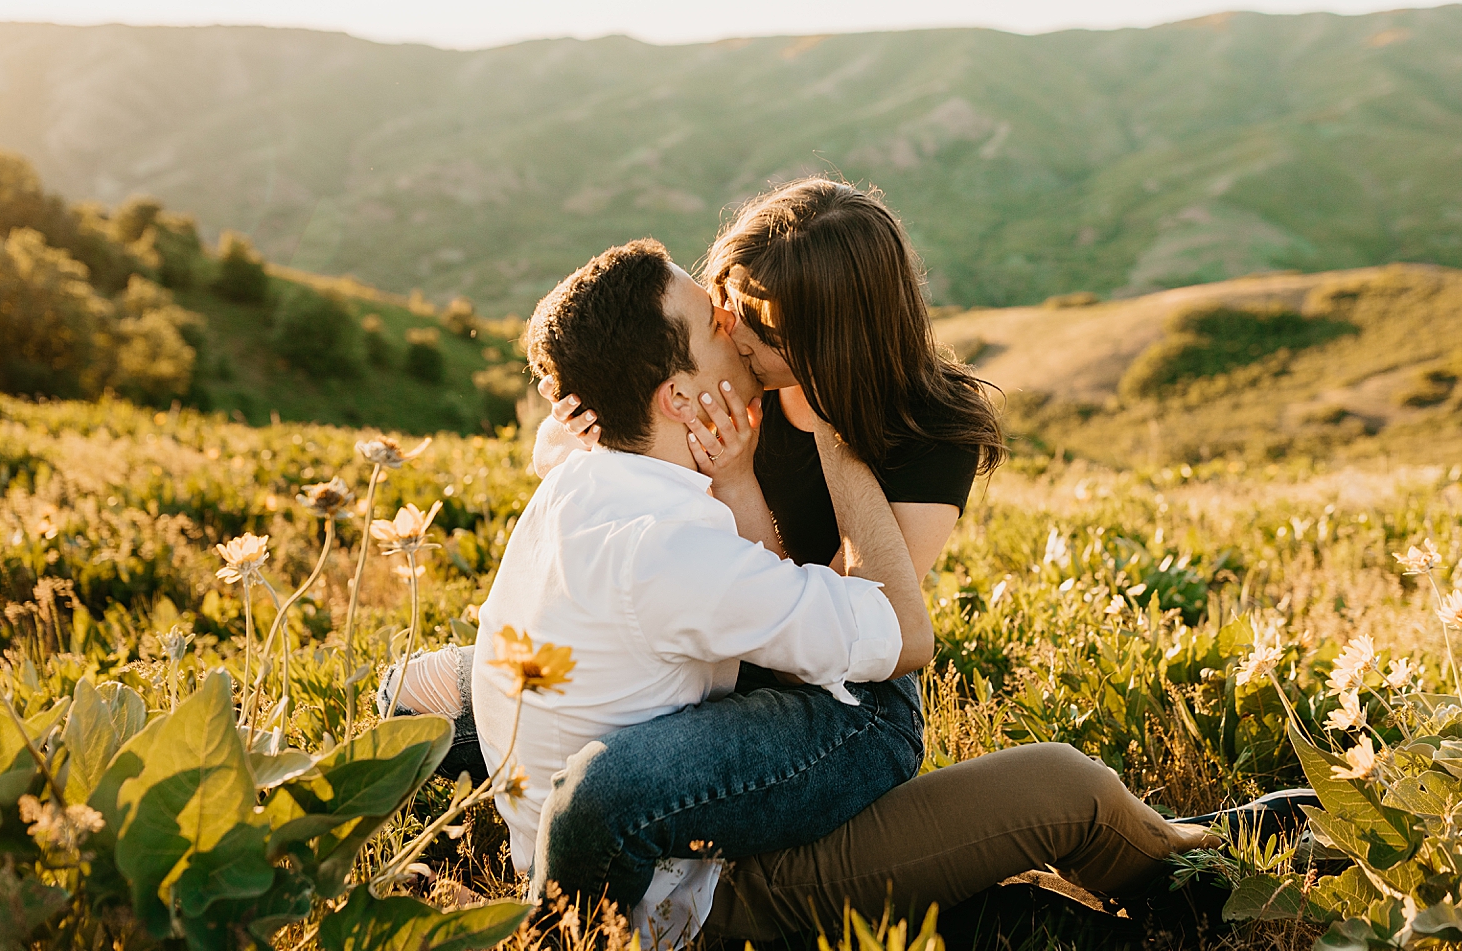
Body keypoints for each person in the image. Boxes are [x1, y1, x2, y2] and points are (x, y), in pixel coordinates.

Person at [386, 232, 1279, 947]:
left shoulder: (590, 481)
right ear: (674, 394)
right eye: (713, 319)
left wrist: (756, 458)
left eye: (744, 319)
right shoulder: (667, 538)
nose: (731, 327)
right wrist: (836, 446)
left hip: (726, 768)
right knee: (1063, 789)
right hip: (715, 879)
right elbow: (898, 638)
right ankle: (1217, 885)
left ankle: (1202, 854)